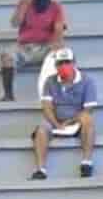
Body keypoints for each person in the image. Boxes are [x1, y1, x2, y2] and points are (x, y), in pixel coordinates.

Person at [31, 46, 97, 180]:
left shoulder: (87, 81)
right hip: (55, 121)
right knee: (42, 129)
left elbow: (88, 109)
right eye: (60, 63)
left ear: (74, 63)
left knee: (88, 120)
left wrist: (70, 122)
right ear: (56, 66)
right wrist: (56, 123)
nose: (64, 66)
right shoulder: (50, 81)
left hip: (77, 121)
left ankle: (86, 163)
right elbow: (47, 107)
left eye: (67, 62)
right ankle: (40, 169)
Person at [0, 0, 69, 101]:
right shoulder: (25, 3)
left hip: (45, 47)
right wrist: (26, 2)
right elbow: (15, 23)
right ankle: (8, 95)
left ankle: (58, 94)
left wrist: (56, 45)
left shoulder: (56, 7)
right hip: (24, 47)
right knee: (6, 55)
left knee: (62, 54)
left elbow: (59, 28)